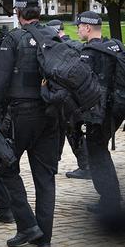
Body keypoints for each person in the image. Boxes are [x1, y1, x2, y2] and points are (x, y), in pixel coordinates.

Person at [0, 0, 61, 247]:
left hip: (22, 113)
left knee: (3, 166)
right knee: (45, 177)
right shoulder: (53, 36)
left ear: (18, 12)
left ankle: (27, 225)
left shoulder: (13, 39)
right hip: (52, 114)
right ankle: (43, 237)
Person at [75, 10, 123, 216]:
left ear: (87, 27)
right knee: (99, 151)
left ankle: (110, 200)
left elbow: (81, 82)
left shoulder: (90, 52)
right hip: (114, 109)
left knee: (97, 153)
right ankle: (111, 197)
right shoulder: (112, 46)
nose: (77, 30)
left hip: (99, 112)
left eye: (79, 26)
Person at [46, 20, 90, 179]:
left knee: (67, 131)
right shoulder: (76, 45)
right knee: (71, 130)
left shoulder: (58, 48)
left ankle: (85, 166)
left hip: (64, 98)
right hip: (78, 97)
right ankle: (83, 165)